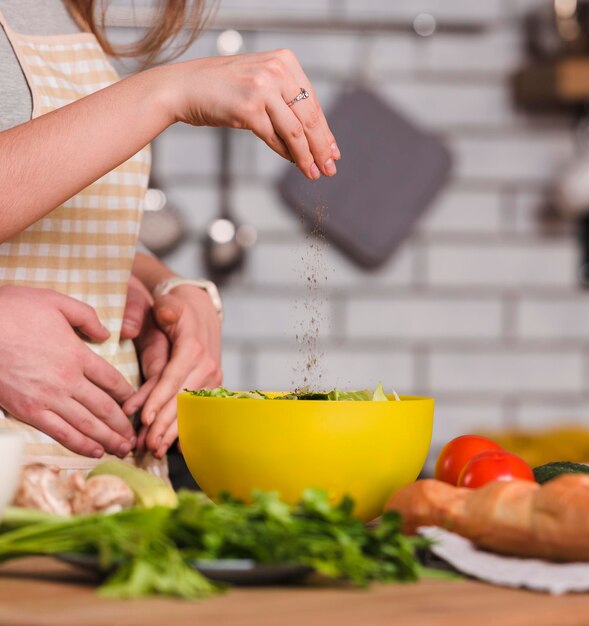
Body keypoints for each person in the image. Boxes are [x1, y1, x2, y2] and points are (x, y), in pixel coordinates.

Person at [0, 0, 340, 477]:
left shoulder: (63, 9)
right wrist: (166, 91)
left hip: (105, 489)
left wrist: (165, 285)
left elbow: (49, 219)